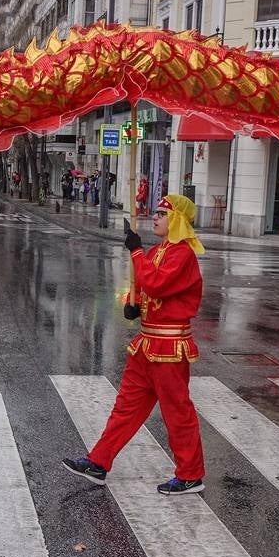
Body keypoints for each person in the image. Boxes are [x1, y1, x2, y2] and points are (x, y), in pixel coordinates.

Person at [63, 195, 206, 495]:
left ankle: (191, 474)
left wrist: (137, 251)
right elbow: (146, 286)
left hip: (169, 347)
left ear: (176, 221)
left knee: (177, 413)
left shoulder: (183, 254)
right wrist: (134, 304)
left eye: (161, 214)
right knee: (125, 408)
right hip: (146, 344)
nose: (155, 217)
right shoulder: (160, 251)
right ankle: (98, 462)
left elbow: (156, 283)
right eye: (155, 212)